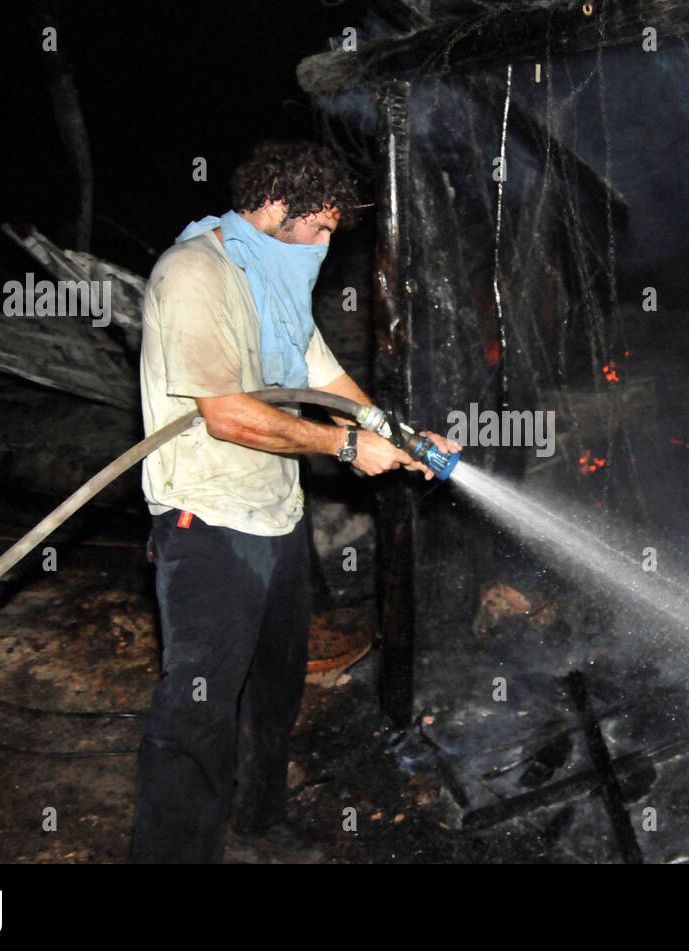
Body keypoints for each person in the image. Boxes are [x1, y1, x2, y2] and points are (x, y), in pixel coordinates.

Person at [130, 139, 459, 863]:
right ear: (278, 208)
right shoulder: (196, 275)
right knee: (198, 711)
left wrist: (399, 436)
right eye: (320, 230)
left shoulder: (272, 280)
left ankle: (259, 817)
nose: (324, 246)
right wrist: (344, 449)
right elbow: (225, 412)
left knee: (273, 695)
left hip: (276, 519)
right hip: (207, 523)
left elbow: (329, 383)